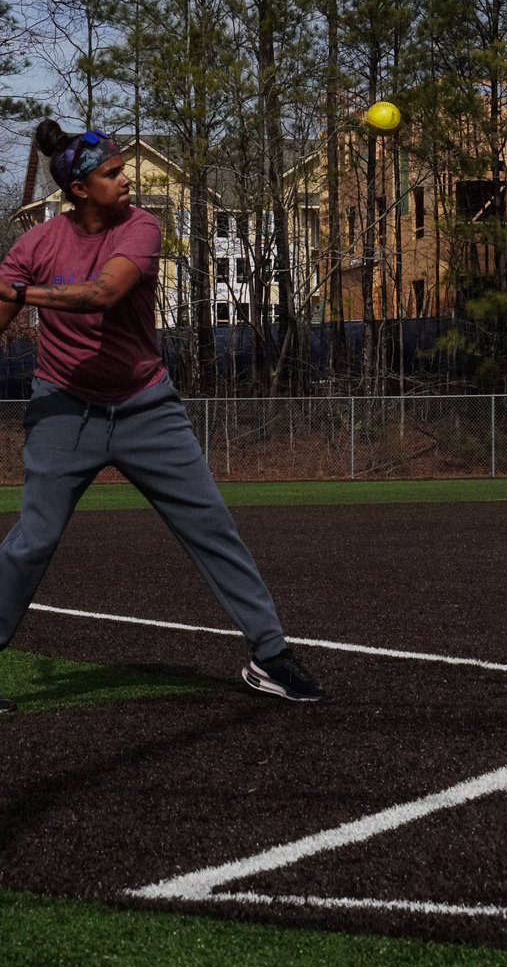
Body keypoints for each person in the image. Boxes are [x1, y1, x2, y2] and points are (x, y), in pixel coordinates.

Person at [0, 119, 324, 714]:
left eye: (123, 169)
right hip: (63, 410)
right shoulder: (35, 247)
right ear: (78, 189)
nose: (127, 181)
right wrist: (11, 290)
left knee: (211, 526)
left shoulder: (142, 226)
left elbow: (102, 294)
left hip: (147, 407)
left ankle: (270, 656)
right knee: (32, 540)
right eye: (112, 173)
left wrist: (22, 294)